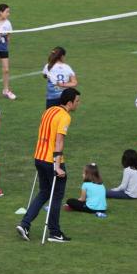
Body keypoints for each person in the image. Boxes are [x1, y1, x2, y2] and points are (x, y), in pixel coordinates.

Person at [16, 87, 81, 243]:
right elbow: (59, 141)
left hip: (39, 157)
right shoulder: (65, 117)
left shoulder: (49, 110)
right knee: (56, 195)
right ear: (70, 102)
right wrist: (57, 166)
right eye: (77, 101)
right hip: (51, 161)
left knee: (44, 192)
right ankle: (54, 232)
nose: (78, 104)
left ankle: (24, 224)